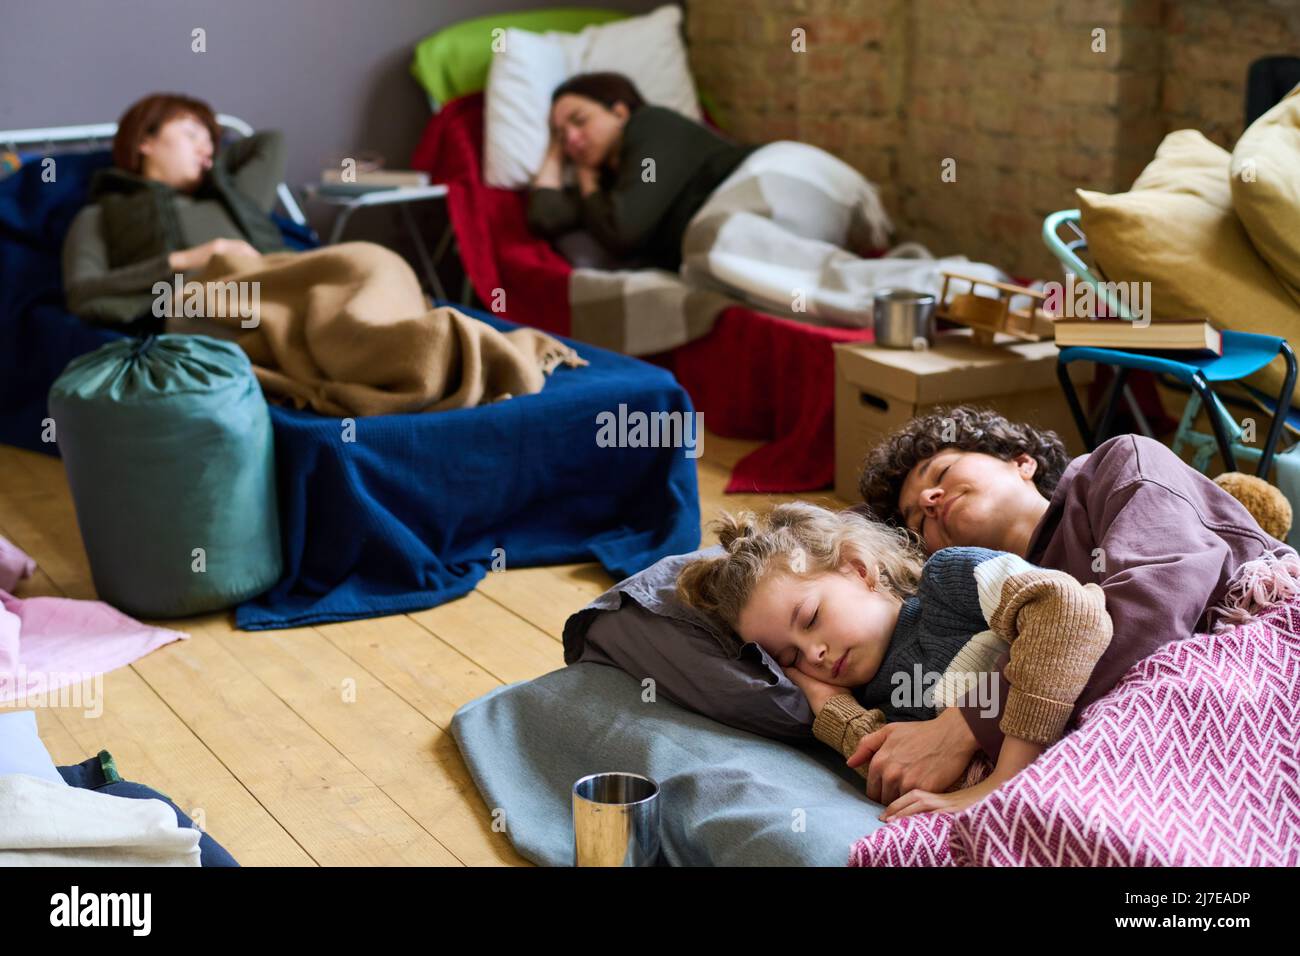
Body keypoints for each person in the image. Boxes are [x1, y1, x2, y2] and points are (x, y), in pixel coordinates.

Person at [851, 405, 1299, 807]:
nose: (929, 500)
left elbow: (1156, 603)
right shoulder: (985, 612)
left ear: (1021, 461)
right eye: (914, 517)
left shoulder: (1119, 466)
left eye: (941, 471)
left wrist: (967, 724)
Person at [675, 502, 1113, 820]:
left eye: (810, 619)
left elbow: (1071, 610)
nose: (813, 654)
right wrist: (829, 704)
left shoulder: (949, 582)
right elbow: (902, 774)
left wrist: (1001, 783)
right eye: (789, 657)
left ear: (858, 569)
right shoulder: (880, 703)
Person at [62, 92, 285, 324]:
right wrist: (185, 260)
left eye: (211, 146)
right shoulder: (99, 215)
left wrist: (212, 169)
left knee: (323, 272)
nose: (206, 151)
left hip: (277, 281)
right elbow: (81, 292)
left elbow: (272, 142)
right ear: (144, 141)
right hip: (208, 304)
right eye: (191, 135)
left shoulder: (233, 201)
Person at [527, 72, 756, 272]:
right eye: (561, 135)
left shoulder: (651, 128)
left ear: (619, 113)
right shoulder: (606, 190)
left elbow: (625, 231)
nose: (572, 139)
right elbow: (545, 217)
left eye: (580, 120)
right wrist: (554, 155)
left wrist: (588, 186)